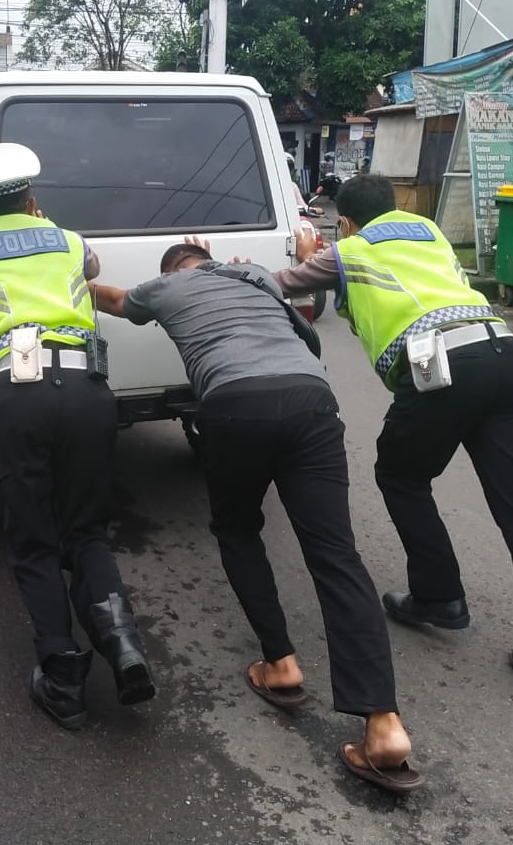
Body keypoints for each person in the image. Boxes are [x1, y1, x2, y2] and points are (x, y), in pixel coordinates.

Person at [93, 243, 424, 793]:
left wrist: (62, 279)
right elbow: (304, 324)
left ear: (173, 268)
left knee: (239, 529)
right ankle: (384, 725)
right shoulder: (253, 275)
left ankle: (281, 664)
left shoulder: (167, 287)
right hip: (310, 399)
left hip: (234, 402)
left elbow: (113, 298)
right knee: (336, 556)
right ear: (212, 258)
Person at [270, 173, 513, 698]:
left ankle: (439, 594)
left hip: (444, 369)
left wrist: (309, 251)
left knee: (399, 474)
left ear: (345, 220)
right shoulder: (428, 231)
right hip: (510, 358)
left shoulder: (349, 249)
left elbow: (282, 282)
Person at [0, 142, 155, 729]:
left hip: (17, 393)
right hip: (87, 392)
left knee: (33, 541)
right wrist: (43, 227)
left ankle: (62, 678)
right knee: (86, 531)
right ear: (32, 200)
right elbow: (92, 271)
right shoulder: (68, 240)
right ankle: (122, 643)